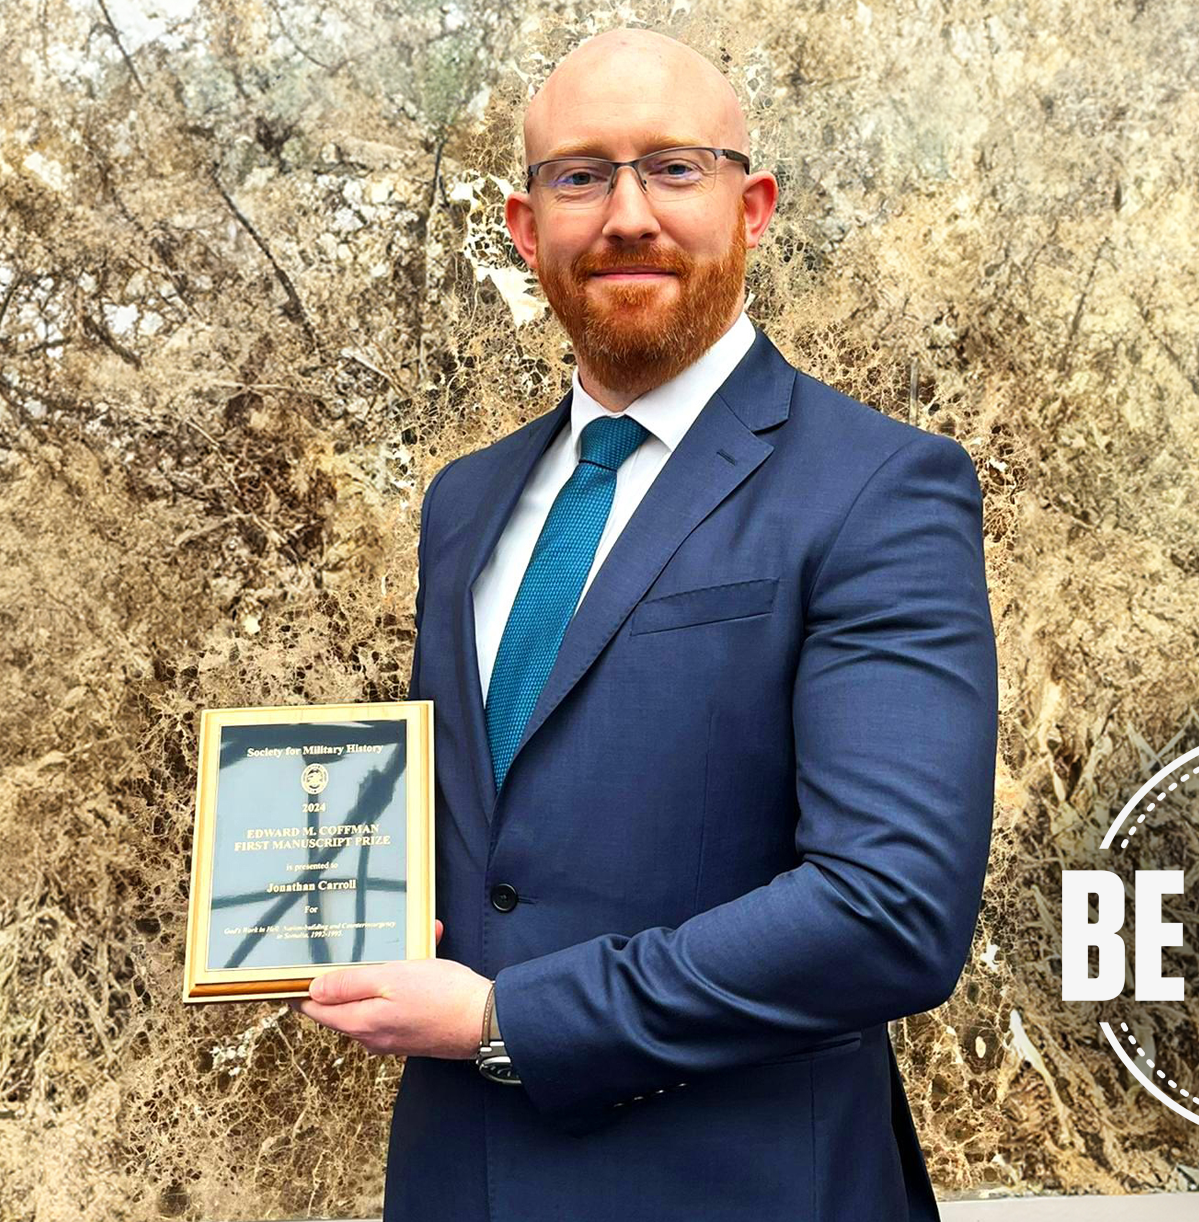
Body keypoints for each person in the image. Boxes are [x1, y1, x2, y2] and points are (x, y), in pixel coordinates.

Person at [290, 27, 998, 1222]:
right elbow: (486, 843)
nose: (625, 214)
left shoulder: (878, 487)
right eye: (579, 175)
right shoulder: (463, 502)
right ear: (526, 227)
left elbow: (888, 912)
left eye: (673, 167)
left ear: (751, 206)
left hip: (742, 1185)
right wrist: (324, 893)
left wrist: (509, 1019)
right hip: (457, 1180)